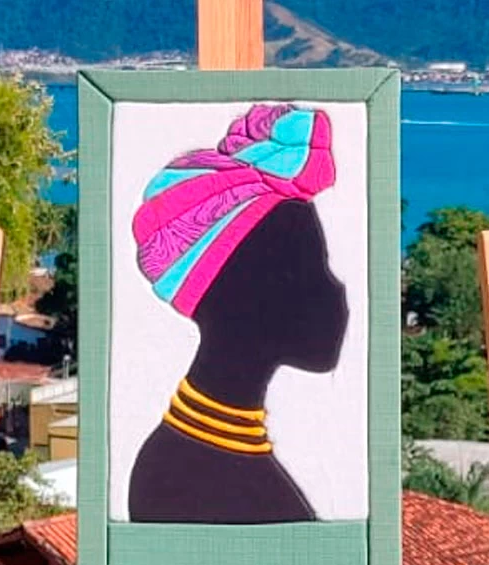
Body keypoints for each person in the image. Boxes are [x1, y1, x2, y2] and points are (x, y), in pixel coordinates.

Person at [127, 105, 348, 524]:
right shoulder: (193, 475)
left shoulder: (198, 455)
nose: (336, 289)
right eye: (309, 269)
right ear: (250, 294)